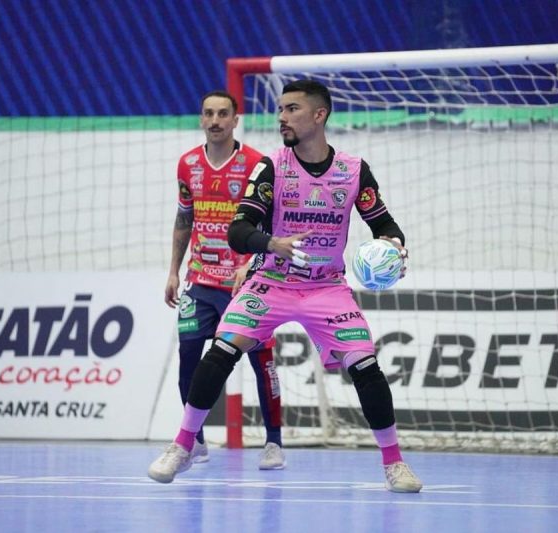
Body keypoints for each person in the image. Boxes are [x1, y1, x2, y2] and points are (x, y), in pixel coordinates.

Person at [148, 80, 422, 493]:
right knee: (222, 349)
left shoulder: (353, 170)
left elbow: (383, 224)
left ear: (319, 115)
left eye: (292, 109)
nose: (281, 117)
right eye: (280, 109)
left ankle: (394, 464)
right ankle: (183, 445)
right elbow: (237, 231)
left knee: (366, 366)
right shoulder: (272, 166)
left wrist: (395, 249)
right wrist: (271, 243)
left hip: (326, 288)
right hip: (272, 281)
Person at [149, 90, 285, 474]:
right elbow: (183, 219)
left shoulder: (257, 164)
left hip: (247, 284)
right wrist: (174, 270)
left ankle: (274, 442)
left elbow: (271, 226)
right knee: (188, 360)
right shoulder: (187, 164)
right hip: (200, 281)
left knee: (262, 362)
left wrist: (255, 263)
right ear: (201, 118)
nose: (215, 121)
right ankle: (195, 443)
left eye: (223, 114)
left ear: (235, 119)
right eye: (208, 113)